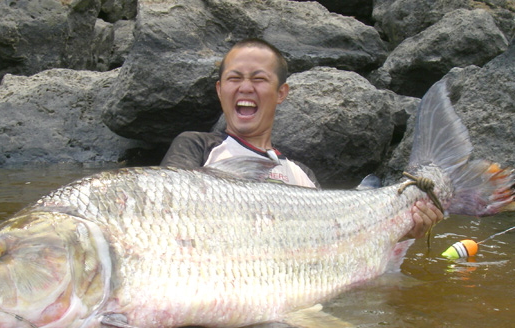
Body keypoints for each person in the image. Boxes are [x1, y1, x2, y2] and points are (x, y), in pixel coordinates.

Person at [161, 38, 442, 240]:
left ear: (281, 92)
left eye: (259, 79)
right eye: (235, 78)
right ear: (220, 90)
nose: (245, 87)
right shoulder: (196, 147)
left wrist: (404, 231)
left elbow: (336, 241)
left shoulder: (301, 175)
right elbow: (167, 219)